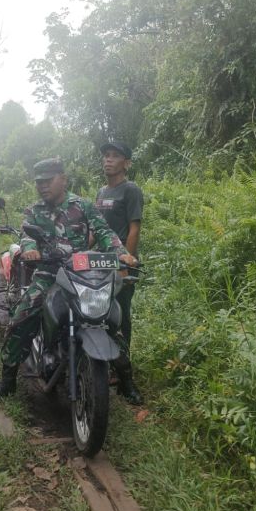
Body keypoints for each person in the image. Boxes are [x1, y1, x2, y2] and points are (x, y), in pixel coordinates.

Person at [0, 158, 137, 402]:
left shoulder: (83, 206)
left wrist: (122, 253)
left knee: (106, 320)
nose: (43, 186)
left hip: (81, 273)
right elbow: (26, 236)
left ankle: (127, 381)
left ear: (63, 179)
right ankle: (8, 381)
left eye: (48, 181)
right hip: (48, 273)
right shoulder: (34, 211)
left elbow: (105, 232)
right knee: (21, 317)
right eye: (39, 182)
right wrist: (31, 249)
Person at [96, 141, 143, 405]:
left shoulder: (131, 190)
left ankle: (125, 373)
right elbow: (96, 228)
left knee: (121, 315)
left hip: (122, 265)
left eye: (115, 156)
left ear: (126, 163)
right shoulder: (101, 191)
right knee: (99, 312)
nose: (108, 160)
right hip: (100, 264)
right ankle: (103, 362)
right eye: (106, 156)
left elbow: (134, 229)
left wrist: (127, 263)